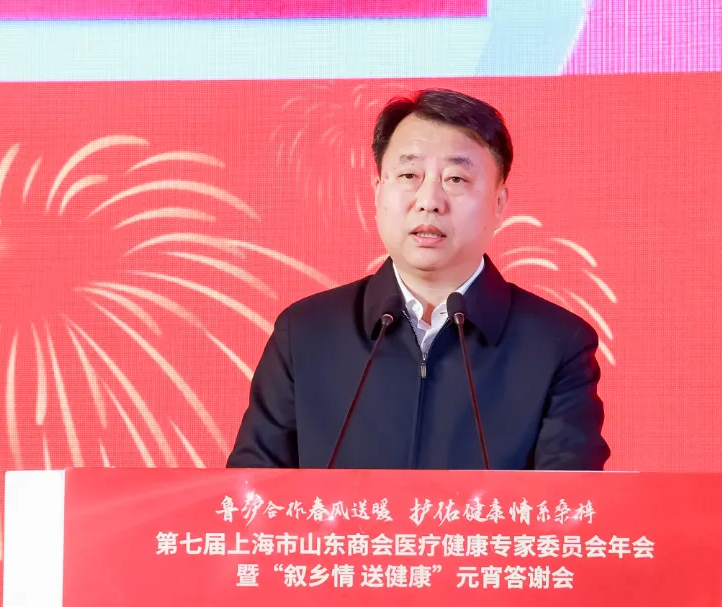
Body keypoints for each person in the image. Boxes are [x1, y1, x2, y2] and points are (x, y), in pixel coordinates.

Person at [226, 88, 610, 470]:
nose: (429, 201)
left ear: (498, 203)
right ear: (379, 193)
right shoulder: (306, 332)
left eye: (456, 179)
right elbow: (249, 492)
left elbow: (572, 500)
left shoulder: (557, 343)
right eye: (409, 175)